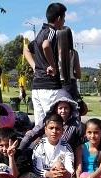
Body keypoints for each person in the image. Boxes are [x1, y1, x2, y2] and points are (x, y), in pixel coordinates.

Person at [23, 2, 71, 130]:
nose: (64, 21)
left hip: (37, 87)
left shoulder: (40, 33)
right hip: (49, 87)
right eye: (64, 18)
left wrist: (34, 67)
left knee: (41, 126)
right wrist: (53, 66)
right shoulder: (51, 32)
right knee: (54, 125)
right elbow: (46, 45)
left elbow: (26, 49)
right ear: (59, 18)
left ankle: (40, 149)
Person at [32, 113, 74, 178]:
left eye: (58, 128)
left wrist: (62, 173)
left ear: (63, 131)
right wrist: (49, 174)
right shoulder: (39, 145)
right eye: (51, 128)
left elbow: (71, 171)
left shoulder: (66, 147)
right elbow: (36, 168)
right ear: (45, 130)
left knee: (58, 165)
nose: (54, 131)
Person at [20, 95, 85, 152]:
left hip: (66, 155)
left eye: (66, 108)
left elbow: (82, 143)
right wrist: (20, 149)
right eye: (60, 108)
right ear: (56, 109)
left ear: (70, 109)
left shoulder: (76, 125)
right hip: (47, 154)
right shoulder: (48, 120)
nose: (63, 111)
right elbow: (33, 133)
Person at [57, 26, 81, 102]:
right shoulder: (74, 53)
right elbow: (78, 75)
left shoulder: (54, 53)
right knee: (72, 111)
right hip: (71, 85)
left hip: (57, 85)